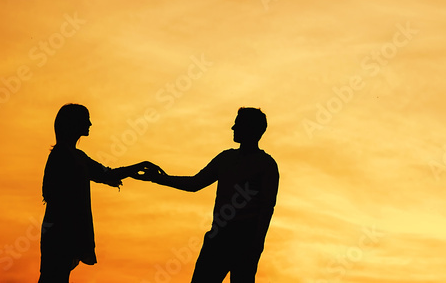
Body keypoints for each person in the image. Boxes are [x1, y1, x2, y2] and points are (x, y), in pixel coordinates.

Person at [139, 107, 279, 283]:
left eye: (237, 124)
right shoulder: (226, 159)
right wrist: (159, 178)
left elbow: (267, 208)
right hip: (219, 239)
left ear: (250, 128)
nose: (233, 128)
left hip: (245, 242)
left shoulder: (266, 165)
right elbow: (195, 183)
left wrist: (257, 243)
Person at [38, 103, 163, 283]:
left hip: (67, 231)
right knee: (53, 277)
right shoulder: (62, 155)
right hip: (59, 231)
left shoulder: (77, 156)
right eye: (85, 119)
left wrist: (138, 166)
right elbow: (50, 193)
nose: (90, 123)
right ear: (73, 123)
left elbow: (107, 174)